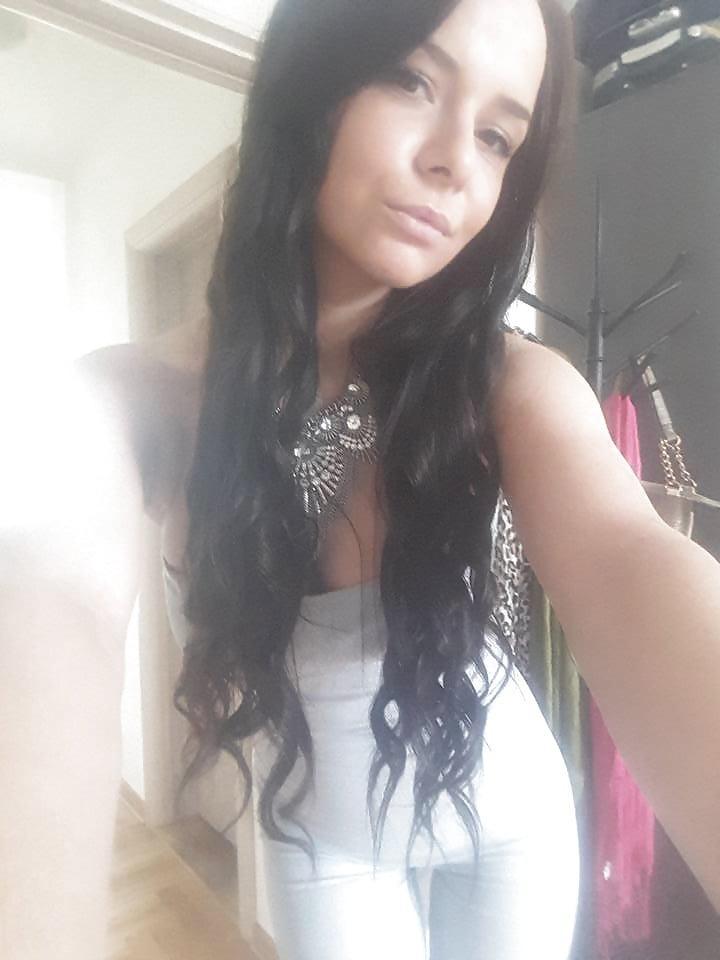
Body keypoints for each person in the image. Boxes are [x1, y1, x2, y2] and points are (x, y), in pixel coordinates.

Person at [2, 1, 720, 958]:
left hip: (513, 813)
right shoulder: (127, 404)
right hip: (322, 837)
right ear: (311, 78)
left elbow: (629, 563)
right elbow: (54, 609)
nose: (456, 160)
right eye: (412, 79)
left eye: (498, 136)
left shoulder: (511, 388)